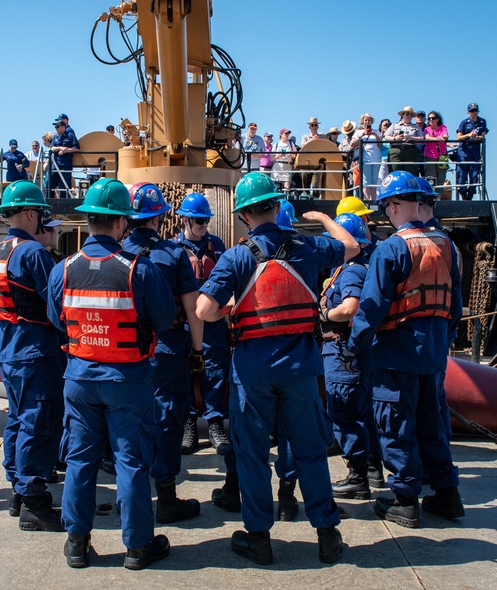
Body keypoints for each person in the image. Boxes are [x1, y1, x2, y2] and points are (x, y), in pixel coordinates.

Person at [196, 172, 358, 566]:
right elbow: (352, 245)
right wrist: (321, 217)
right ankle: (326, 535)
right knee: (310, 453)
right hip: (301, 369)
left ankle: (259, 539)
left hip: (252, 374)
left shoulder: (236, 256)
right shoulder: (308, 248)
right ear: (275, 206)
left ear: (244, 216)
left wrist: (231, 308)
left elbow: (203, 311)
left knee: (252, 455)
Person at [47, 178, 175, 570]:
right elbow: (166, 320)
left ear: (88, 222)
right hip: (128, 380)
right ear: (121, 223)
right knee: (130, 461)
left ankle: (76, 544)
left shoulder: (63, 270)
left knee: (81, 461)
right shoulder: (141, 269)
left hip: (80, 379)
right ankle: (138, 547)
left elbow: (58, 320)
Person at [346, 170, 464, 529]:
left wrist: (355, 347)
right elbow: (454, 305)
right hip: (433, 355)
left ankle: (405, 502)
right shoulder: (447, 245)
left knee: (396, 425)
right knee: (432, 426)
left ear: (395, 205)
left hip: (396, 354)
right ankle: (446, 495)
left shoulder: (391, 248)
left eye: (386, 207)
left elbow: (372, 306)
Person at [0, 180, 65, 532]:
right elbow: (56, 301)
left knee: (18, 418)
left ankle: (18, 488)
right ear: (32, 214)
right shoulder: (33, 253)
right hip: (36, 350)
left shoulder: (1, 249)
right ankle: (34, 501)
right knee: (39, 420)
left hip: (10, 347)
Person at [122, 183, 204, 525]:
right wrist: (198, 351)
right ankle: (167, 498)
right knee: (168, 423)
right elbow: (192, 306)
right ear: (160, 217)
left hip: (127, 353)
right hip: (168, 350)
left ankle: (135, 499)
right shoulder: (174, 255)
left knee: (131, 423)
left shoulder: (118, 253)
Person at [319, 213, 384, 501]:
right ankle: (371, 469)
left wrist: (324, 314)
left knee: (344, 413)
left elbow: (350, 308)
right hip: (351, 352)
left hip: (342, 352)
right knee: (362, 412)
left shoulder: (352, 271)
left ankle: (358, 477)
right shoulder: (353, 268)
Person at [173, 193, 230, 456]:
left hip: (213, 322)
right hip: (184, 324)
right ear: (185, 219)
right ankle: (189, 423)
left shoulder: (217, 247)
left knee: (215, 370)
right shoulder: (174, 249)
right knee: (184, 372)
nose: (203, 224)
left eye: (206, 219)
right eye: (198, 220)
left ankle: (216, 422)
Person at [455, 103, 489, 200]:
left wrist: (477, 137)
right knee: (462, 175)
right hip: (464, 152)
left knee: (474, 175)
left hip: (475, 152)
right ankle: (463, 194)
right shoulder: (464, 123)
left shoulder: (482, 122)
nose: (474, 113)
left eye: (475, 111)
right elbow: (459, 137)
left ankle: (470, 195)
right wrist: (469, 135)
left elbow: (482, 135)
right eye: (471, 111)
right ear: (468, 112)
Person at [350, 114, 383, 200]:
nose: (367, 122)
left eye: (369, 120)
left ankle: (373, 200)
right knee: (366, 182)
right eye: (366, 120)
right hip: (365, 160)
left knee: (374, 181)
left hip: (376, 159)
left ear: (372, 121)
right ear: (362, 121)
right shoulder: (358, 132)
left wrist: (375, 135)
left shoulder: (376, 131)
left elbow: (380, 144)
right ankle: (368, 200)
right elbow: (352, 144)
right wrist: (362, 136)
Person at [385, 107, 424, 176]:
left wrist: (411, 138)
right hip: (396, 150)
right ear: (402, 115)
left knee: (410, 174)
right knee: (395, 173)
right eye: (407, 114)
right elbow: (386, 136)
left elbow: (422, 139)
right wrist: (395, 138)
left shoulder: (416, 127)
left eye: (411, 115)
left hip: (411, 151)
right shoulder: (394, 125)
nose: (409, 116)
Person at [49, 118, 80, 198]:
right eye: (55, 127)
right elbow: (52, 148)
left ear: (63, 127)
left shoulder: (70, 135)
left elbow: (76, 148)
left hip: (66, 164)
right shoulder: (55, 136)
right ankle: (50, 200)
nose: (56, 128)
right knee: (50, 183)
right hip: (56, 165)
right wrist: (60, 148)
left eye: (58, 127)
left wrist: (66, 150)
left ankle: (65, 203)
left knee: (65, 185)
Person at [423, 111, 449, 189]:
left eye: (433, 118)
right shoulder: (427, 129)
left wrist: (443, 138)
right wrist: (438, 139)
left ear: (437, 119)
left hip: (443, 156)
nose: (431, 120)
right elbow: (427, 138)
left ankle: (439, 196)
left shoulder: (443, 127)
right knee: (431, 177)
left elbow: (445, 136)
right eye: (429, 118)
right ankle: (431, 195)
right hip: (430, 156)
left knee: (441, 176)